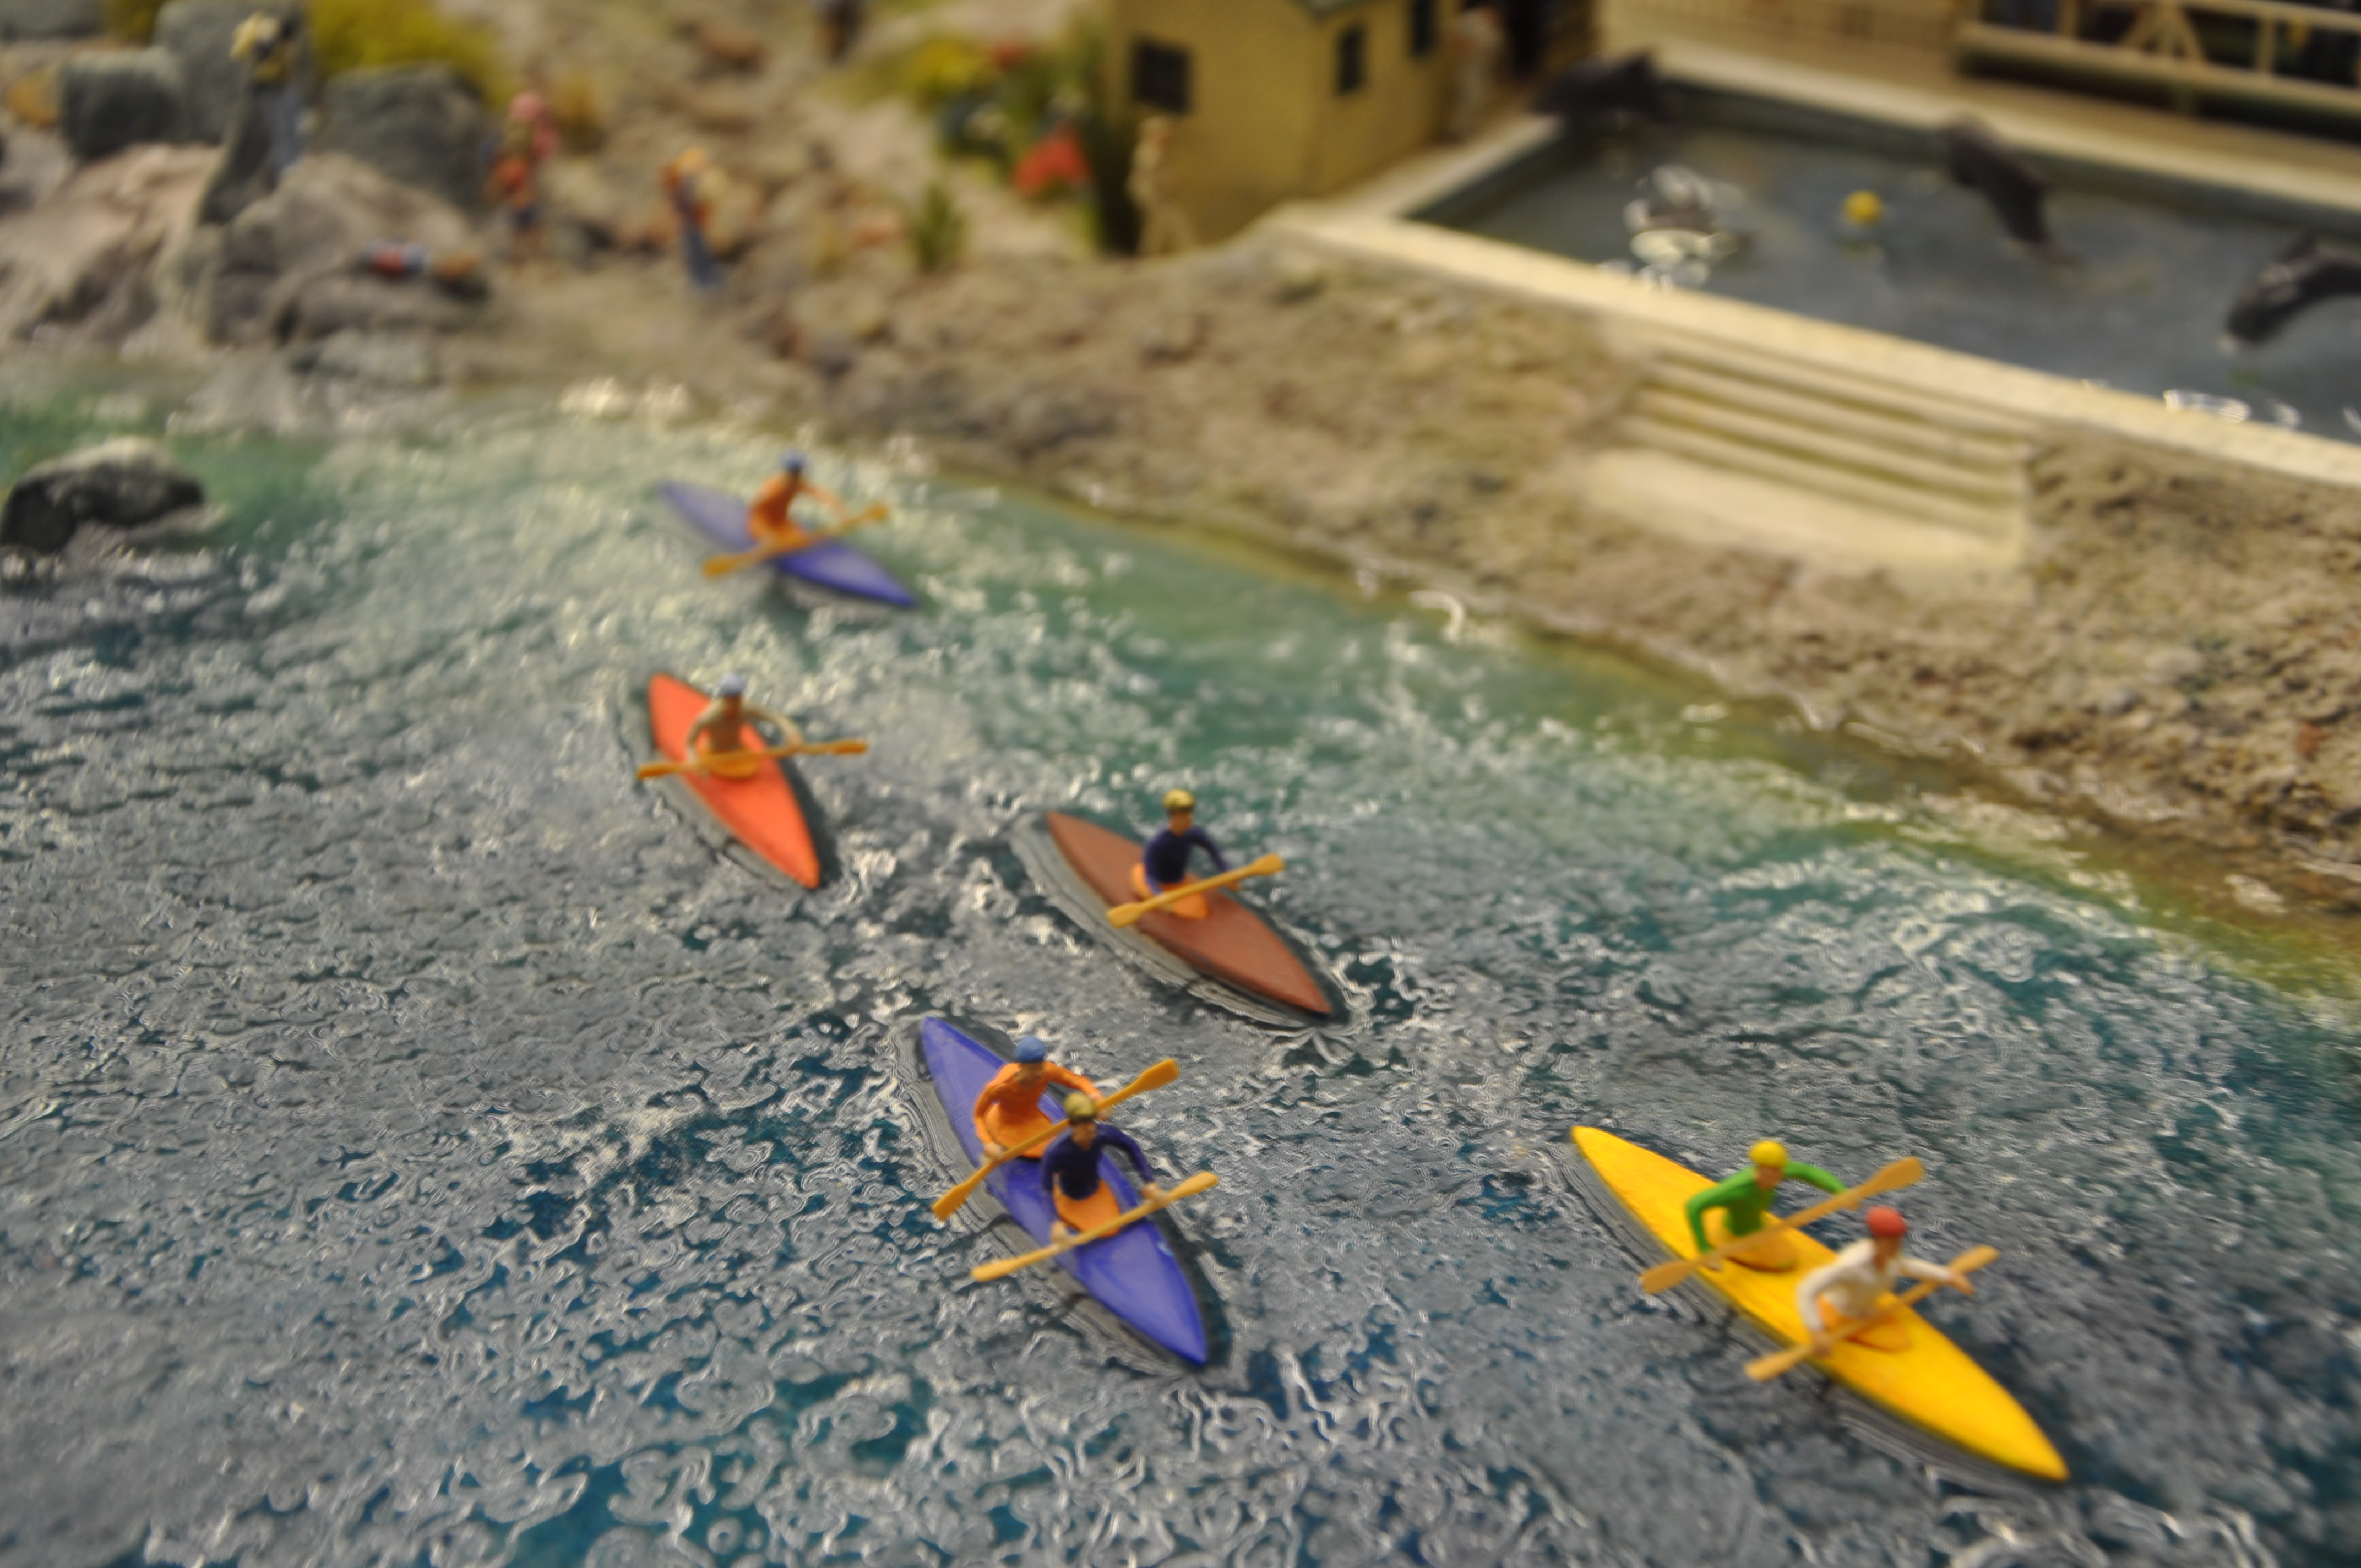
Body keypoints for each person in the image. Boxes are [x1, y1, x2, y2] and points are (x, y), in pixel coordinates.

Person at [1793, 1206, 1973, 1352]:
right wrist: (1816, 1331)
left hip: (1867, 1314)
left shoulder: (1890, 1258)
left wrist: (1949, 1276)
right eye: (1892, 1242)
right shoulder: (1852, 1266)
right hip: (1837, 1315)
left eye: (1899, 1241)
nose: (1897, 1246)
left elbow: (1910, 1267)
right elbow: (1807, 1289)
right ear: (1877, 1240)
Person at [1684, 1140, 1847, 1272]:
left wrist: (1840, 1191)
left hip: (1759, 1226)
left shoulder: (1776, 1173)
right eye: (1774, 1170)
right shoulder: (1737, 1190)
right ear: (1761, 1169)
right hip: (1736, 1234)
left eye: (1780, 1169)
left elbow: (1808, 1172)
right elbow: (1693, 1206)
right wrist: (1704, 1251)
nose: (1780, 1174)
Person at [1040, 1093, 1163, 1242]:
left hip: (1094, 1188)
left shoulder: (1100, 1134)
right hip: (1069, 1195)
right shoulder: (1056, 1152)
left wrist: (1149, 1181)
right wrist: (1055, 1223)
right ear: (1074, 1126)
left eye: (1092, 1122)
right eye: (1085, 1124)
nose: (1092, 1129)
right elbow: (1046, 1189)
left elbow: (1130, 1146)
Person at [972, 1036, 1101, 1159]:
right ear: (1021, 1067)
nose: (1040, 1073)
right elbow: (978, 1116)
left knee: (1055, 1146)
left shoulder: (1047, 1071)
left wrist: (1095, 1096)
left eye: (1041, 1066)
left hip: (1032, 1118)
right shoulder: (1000, 1086)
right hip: (1006, 1125)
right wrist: (988, 1143)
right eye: (1034, 1069)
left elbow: (1077, 1080)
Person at [683, 674, 801, 780]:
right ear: (724, 698)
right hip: (714, 754)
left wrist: (792, 734)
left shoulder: (746, 709)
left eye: (738, 698)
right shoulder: (709, 717)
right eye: (731, 700)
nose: (735, 704)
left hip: (738, 752)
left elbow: (777, 718)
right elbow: (690, 744)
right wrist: (695, 762)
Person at [1131, 788, 1226, 919]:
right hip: (1161, 884)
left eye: (1190, 812)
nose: (1189, 817)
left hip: (1179, 882)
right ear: (1174, 816)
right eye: (1184, 814)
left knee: (1199, 912)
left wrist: (1227, 870)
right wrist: (1159, 896)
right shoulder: (1157, 844)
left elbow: (1213, 850)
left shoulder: (1193, 833)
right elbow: (1150, 877)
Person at [232, 10, 305, 178]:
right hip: (269, 88)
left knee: (291, 127)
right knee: (282, 128)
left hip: (282, 85)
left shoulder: (281, 41)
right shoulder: (268, 38)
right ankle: (287, 167)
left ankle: (294, 164)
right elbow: (260, 56)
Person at [746, 451, 855, 553]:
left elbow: (822, 495)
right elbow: (755, 505)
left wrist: (843, 514)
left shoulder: (798, 484)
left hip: (781, 523)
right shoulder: (773, 487)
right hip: (761, 523)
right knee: (773, 544)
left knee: (805, 541)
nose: (797, 477)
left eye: (798, 473)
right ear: (787, 472)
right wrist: (767, 536)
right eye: (794, 473)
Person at [1129, 116, 1196, 258]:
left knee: (1164, 224)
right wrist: (1170, 181)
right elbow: (1153, 176)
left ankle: (1188, 249)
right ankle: (1187, 250)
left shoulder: (1152, 151)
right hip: (1151, 195)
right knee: (1161, 224)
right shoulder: (1148, 152)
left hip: (1156, 195)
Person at [485, 117, 546, 264]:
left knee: (532, 236)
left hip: (525, 204)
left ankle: (539, 262)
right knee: (520, 238)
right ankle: (523, 264)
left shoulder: (519, 164)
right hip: (518, 206)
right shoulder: (507, 168)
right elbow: (498, 187)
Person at [663, 148, 723, 292]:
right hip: (692, 221)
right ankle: (703, 282)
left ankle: (705, 281)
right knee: (696, 250)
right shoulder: (682, 180)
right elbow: (688, 202)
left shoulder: (680, 180)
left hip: (695, 221)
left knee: (698, 250)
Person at [1447, 2, 1504, 142]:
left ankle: (1465, 127)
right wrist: (1465, 46)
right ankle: (1454, 130)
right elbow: (1451, 34)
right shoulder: (1470, 20)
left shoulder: (1490, 27)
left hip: (1481, 68)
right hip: (1467, 67)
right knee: (1467, 97)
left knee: (1477, 97)